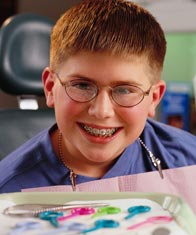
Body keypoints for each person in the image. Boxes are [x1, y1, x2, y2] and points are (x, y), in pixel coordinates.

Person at [0, 0, 196, 193]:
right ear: (51, 87)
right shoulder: (8, 191)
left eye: (125, 90)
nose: (101, 111)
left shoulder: (189, 162)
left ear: (154, 98)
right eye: (82, 85)